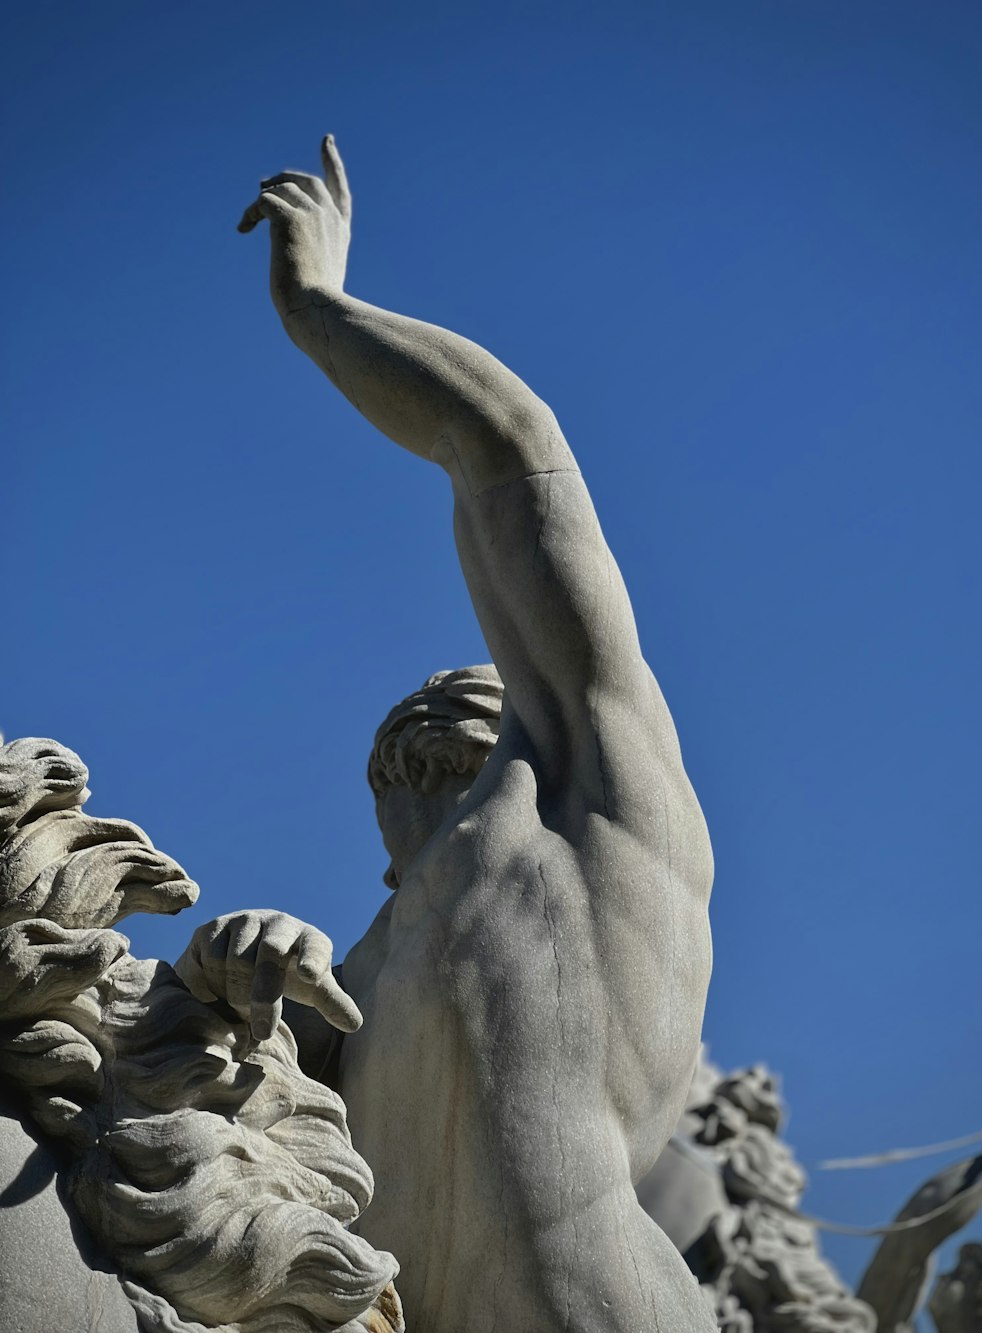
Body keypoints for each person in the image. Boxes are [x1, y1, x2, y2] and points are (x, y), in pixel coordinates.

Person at [178, 135, 715, 1332]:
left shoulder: (597, 807)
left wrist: (320, 307)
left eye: (437, 770)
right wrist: (227, 977)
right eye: (397, 786)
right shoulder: (351, 981)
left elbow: (507, 447)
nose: (411, 818)